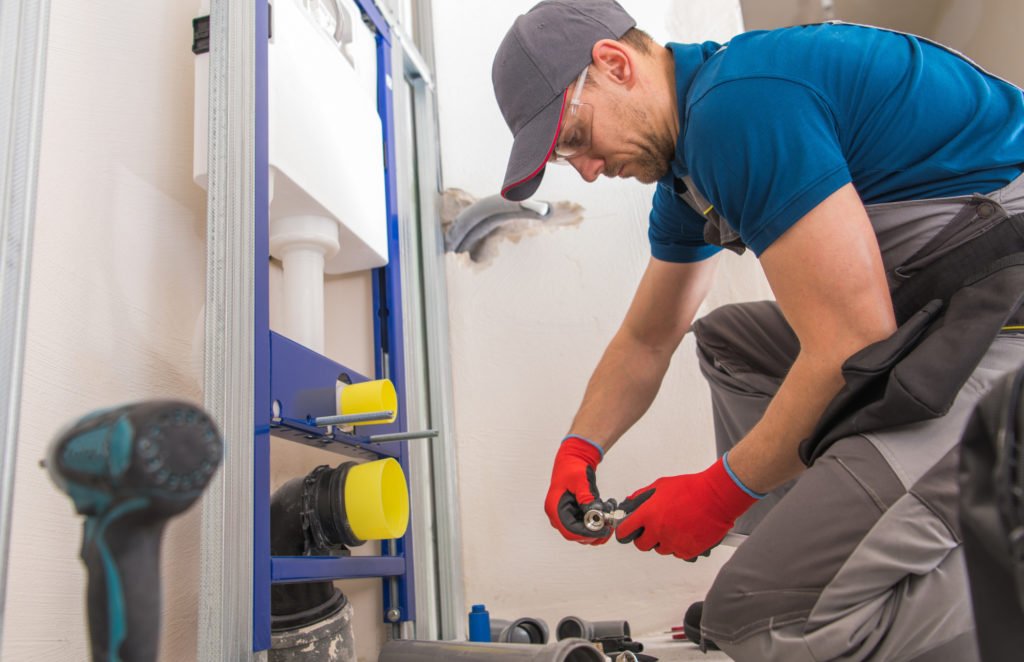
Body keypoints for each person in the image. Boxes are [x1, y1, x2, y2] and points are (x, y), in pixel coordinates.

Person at [490, 1, 1024, 660]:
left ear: (615, 65)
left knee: (759, 618)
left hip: (1004, 319)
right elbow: (647, 338)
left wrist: (720, 492)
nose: (590, 171)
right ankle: (828, 550)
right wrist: (580, 450)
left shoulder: (737, 107)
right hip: (944, 317)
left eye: (573, 140)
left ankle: (932, 595)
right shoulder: (691, 167)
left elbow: (852, 341)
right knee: (730, 344)